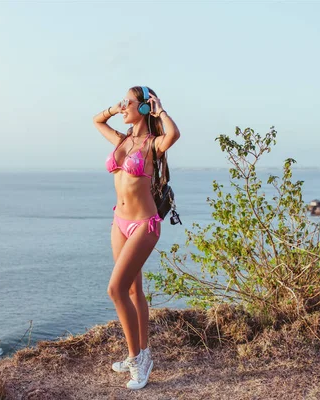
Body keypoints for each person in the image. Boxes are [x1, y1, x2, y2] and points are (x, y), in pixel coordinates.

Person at [92, 86, 180, 390]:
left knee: (115, 289)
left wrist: (161, 112)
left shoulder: (152, 145)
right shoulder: (123, 139)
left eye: (129, 102)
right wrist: (114, 110)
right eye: (123, 102)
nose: (123, 105)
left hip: (144, 224)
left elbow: (174, 135)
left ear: (144, 108)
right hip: (120, 221)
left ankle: (136, 359)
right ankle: (145, 354)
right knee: (132, 291)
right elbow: (96, 122)